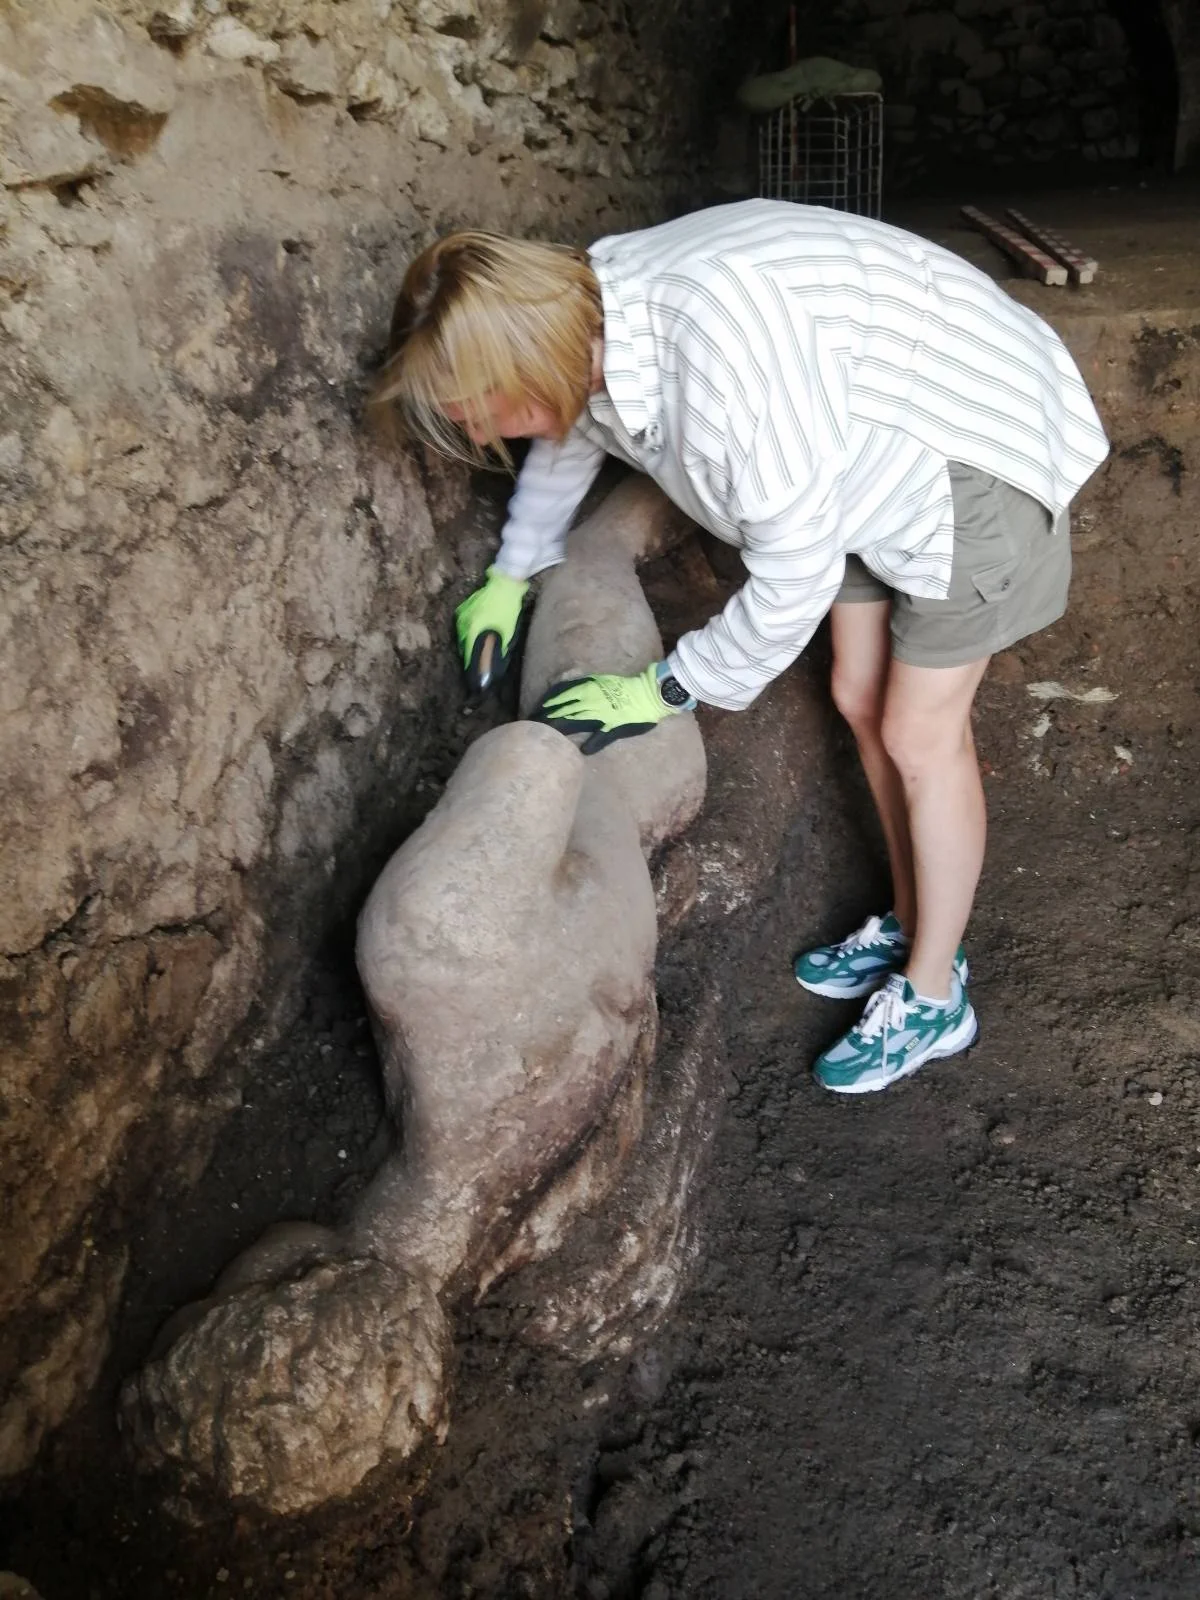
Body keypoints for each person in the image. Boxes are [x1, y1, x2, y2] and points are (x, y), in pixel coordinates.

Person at [375, 200, 1109, 1095]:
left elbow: (791, 582)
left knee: (922, 735)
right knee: (857, 695)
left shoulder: (721, 382)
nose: (482, 437)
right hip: (859, 447)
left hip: (968, 442)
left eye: (478, 413)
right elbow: (571, 426)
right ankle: (917, 920)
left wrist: (668, 688)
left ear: (523, 365)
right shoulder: (581, 325)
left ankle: (934, 990)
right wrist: (514, 570)